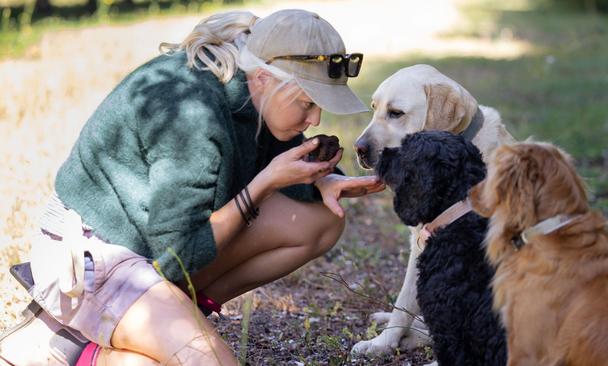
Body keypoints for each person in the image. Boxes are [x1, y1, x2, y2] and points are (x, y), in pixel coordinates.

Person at [0, 9, 384, 366]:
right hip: (94, 257)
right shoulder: (193, 115)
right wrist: (266, 184)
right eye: (307, 102)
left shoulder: (251, 94)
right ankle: (60, 348)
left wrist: (321, 183)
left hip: (152, 250)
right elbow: (177, 255)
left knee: (319, 220)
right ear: (265, 78)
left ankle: (172, 314)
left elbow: (266, 160)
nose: (315, 117)